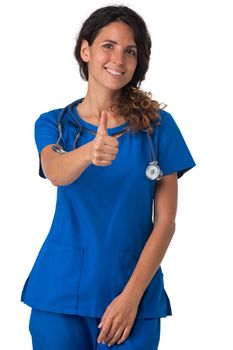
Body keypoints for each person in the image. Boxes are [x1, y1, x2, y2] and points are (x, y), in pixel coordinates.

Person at [21, 5, 196, 350]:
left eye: (130, 50)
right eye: (108, 45)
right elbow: (55, 172)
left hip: (132, 293)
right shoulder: (55, 124)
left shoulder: (158, 128)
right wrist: (88, 152)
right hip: (60, 294)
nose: (119, 58)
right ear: (85, 50)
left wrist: (131, 298)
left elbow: (165, 223)